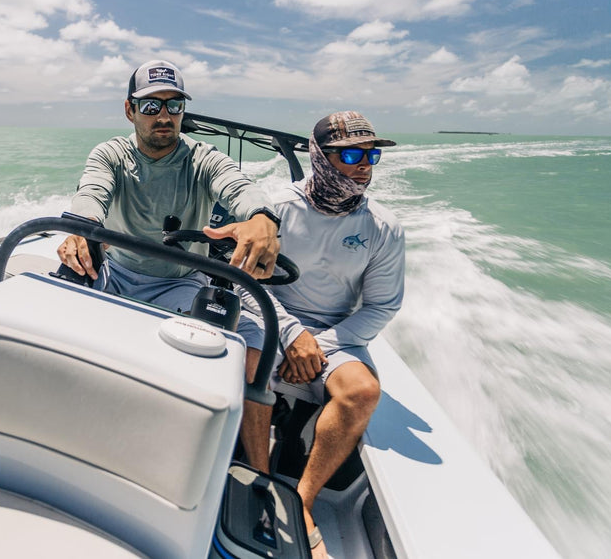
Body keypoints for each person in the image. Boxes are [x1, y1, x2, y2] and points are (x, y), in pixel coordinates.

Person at [57, 59, 283, 471]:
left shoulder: (203, 158)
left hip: (180, 282)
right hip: (115, 275)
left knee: (255, 350)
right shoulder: (111, 154)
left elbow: (237, 186)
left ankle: (258, 476)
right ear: (130, 111)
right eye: (151, 106)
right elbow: (92, 193)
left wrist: (262, 218)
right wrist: (80, 228)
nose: (164, 116)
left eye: (174, 106)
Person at [243, 111, 404, 558]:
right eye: (352, 154)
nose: (365, 164)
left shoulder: (384, 227)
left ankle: (302, 501)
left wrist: (318, 346)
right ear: (320, 158)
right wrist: (293, 335)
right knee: (246, 363)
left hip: (336, 336)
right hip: (271, 319)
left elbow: (382, 306)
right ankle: (261, 479)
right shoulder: (277, 210)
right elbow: (249, 282)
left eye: (371, 154)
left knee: (362, 394)